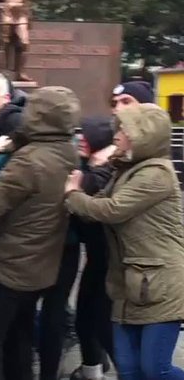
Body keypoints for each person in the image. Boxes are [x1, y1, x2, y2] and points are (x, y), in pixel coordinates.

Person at [0, 86, 80, 380]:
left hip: (12, 263)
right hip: (44, 261)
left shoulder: (29, 160)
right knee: (19, 335)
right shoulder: (68, 150)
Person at [65, 104, 184, 380]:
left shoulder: (156, 173)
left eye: (124, 130)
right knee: (129, 370)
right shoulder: (126, 169)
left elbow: (112, 210)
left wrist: (72, 194)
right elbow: (98, 204)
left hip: (160, 284)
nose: (116, 135)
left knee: (155, 369)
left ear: (143, 136)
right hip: (128, 284)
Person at [70, 117, 115, 380]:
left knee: (102, 324)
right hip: (97, 259)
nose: (80, 140)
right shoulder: (90, 167)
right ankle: (91, 371)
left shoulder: (102, 173)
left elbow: (88, 207)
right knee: (85, 318)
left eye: (86, 136)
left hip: (110, 260)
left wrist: (75, 189)